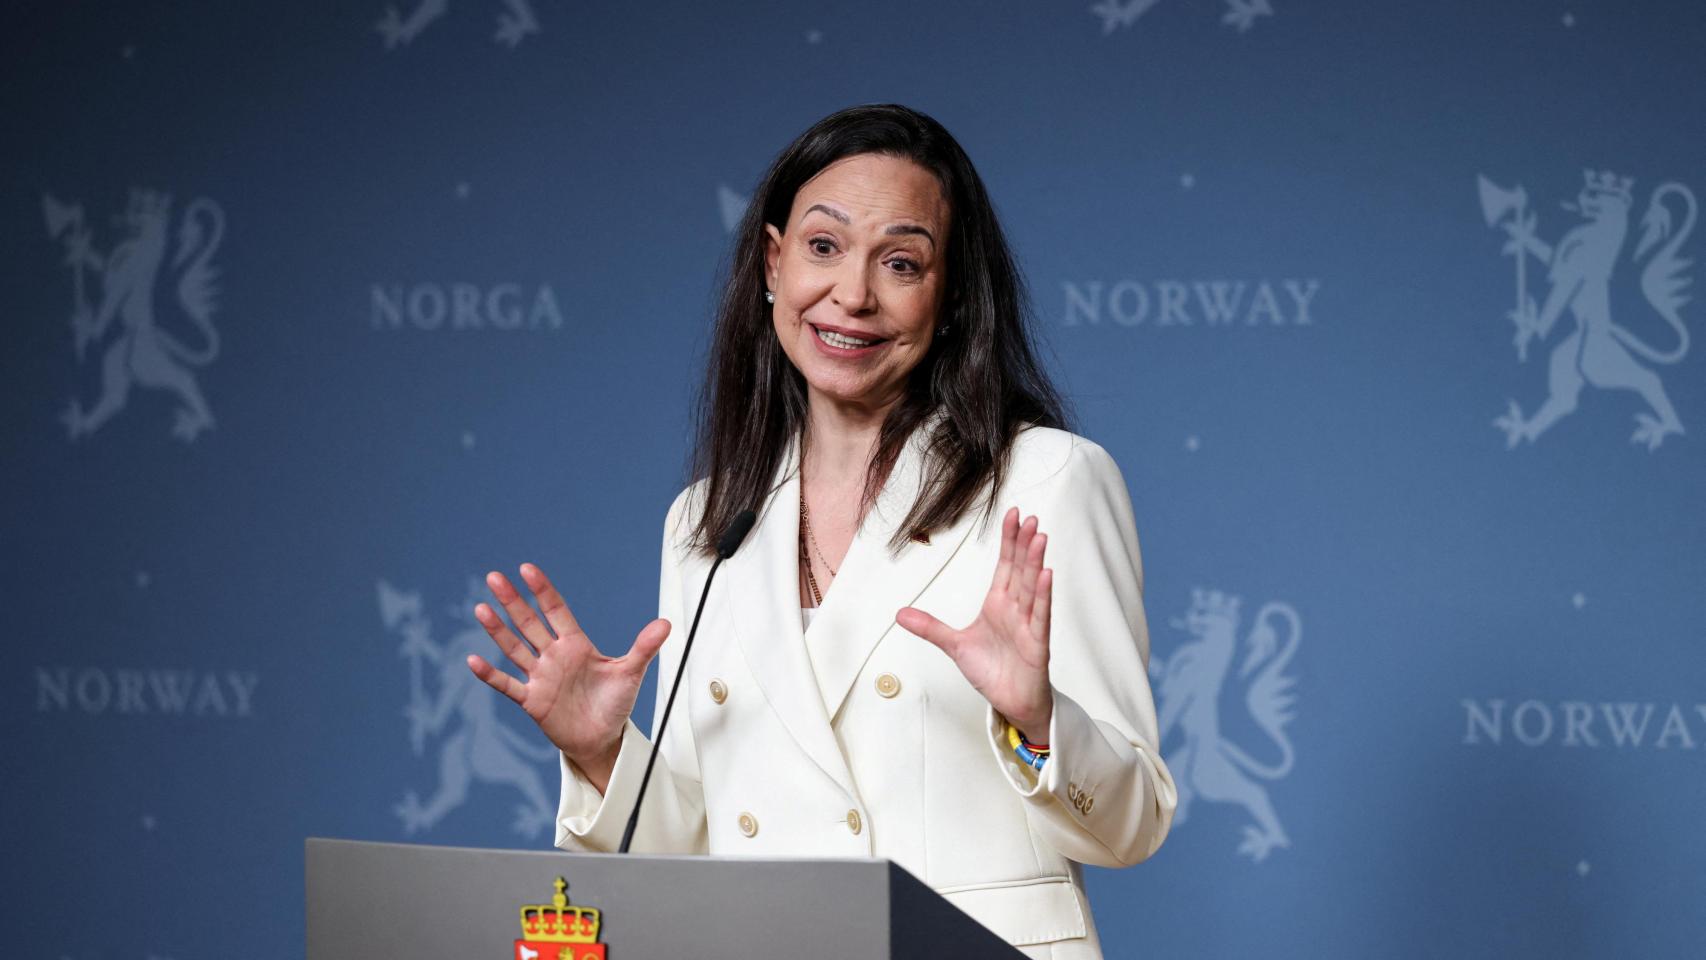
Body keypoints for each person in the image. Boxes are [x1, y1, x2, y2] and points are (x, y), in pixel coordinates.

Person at [466, 104, 1177, 959]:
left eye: (902, 262)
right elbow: (696, 863)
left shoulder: (1045, 479)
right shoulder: (705, 520)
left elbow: (1134, 823)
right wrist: (604, 756)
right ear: (774, 264)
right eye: (824, 247)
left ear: (949, 297)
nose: (852, 295)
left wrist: (1037, 720)